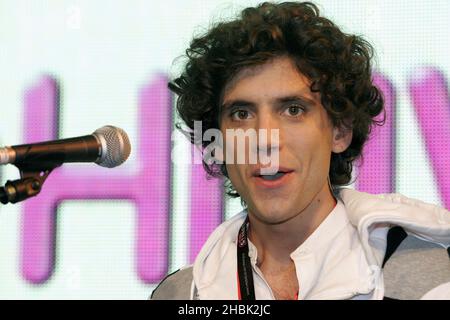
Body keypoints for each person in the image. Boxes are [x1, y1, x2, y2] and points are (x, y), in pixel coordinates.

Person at [151, 1, 450, 300]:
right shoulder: (180, 294)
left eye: (293, 110)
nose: (264, 139)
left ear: (340, 131)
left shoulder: (428, 281)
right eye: (241, 114)